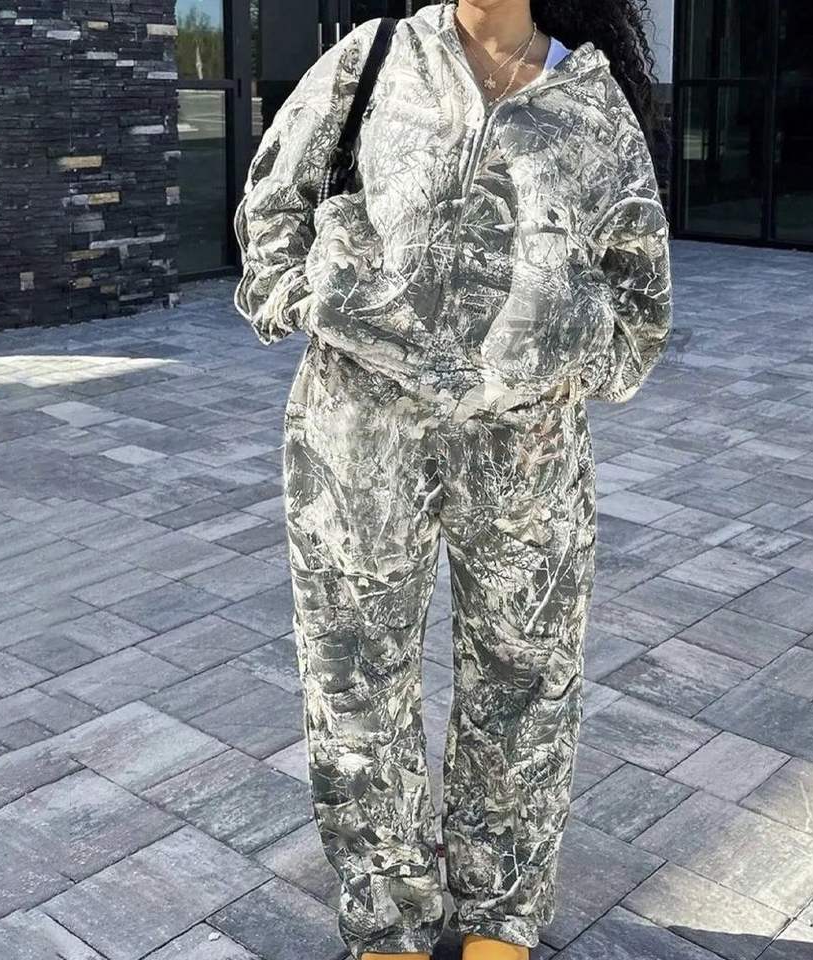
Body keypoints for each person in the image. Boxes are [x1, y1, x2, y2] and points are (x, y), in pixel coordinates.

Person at [232, 1, 673, 957]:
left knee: (525, 679)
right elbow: (273, 203)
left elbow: (639, 293)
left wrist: (553, 352)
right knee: (356, 678)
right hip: (357, 437)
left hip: (527, 450)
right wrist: (312, 300)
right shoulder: (375, 58)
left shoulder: (589, 101)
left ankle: (500, 919)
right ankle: (387, 921)